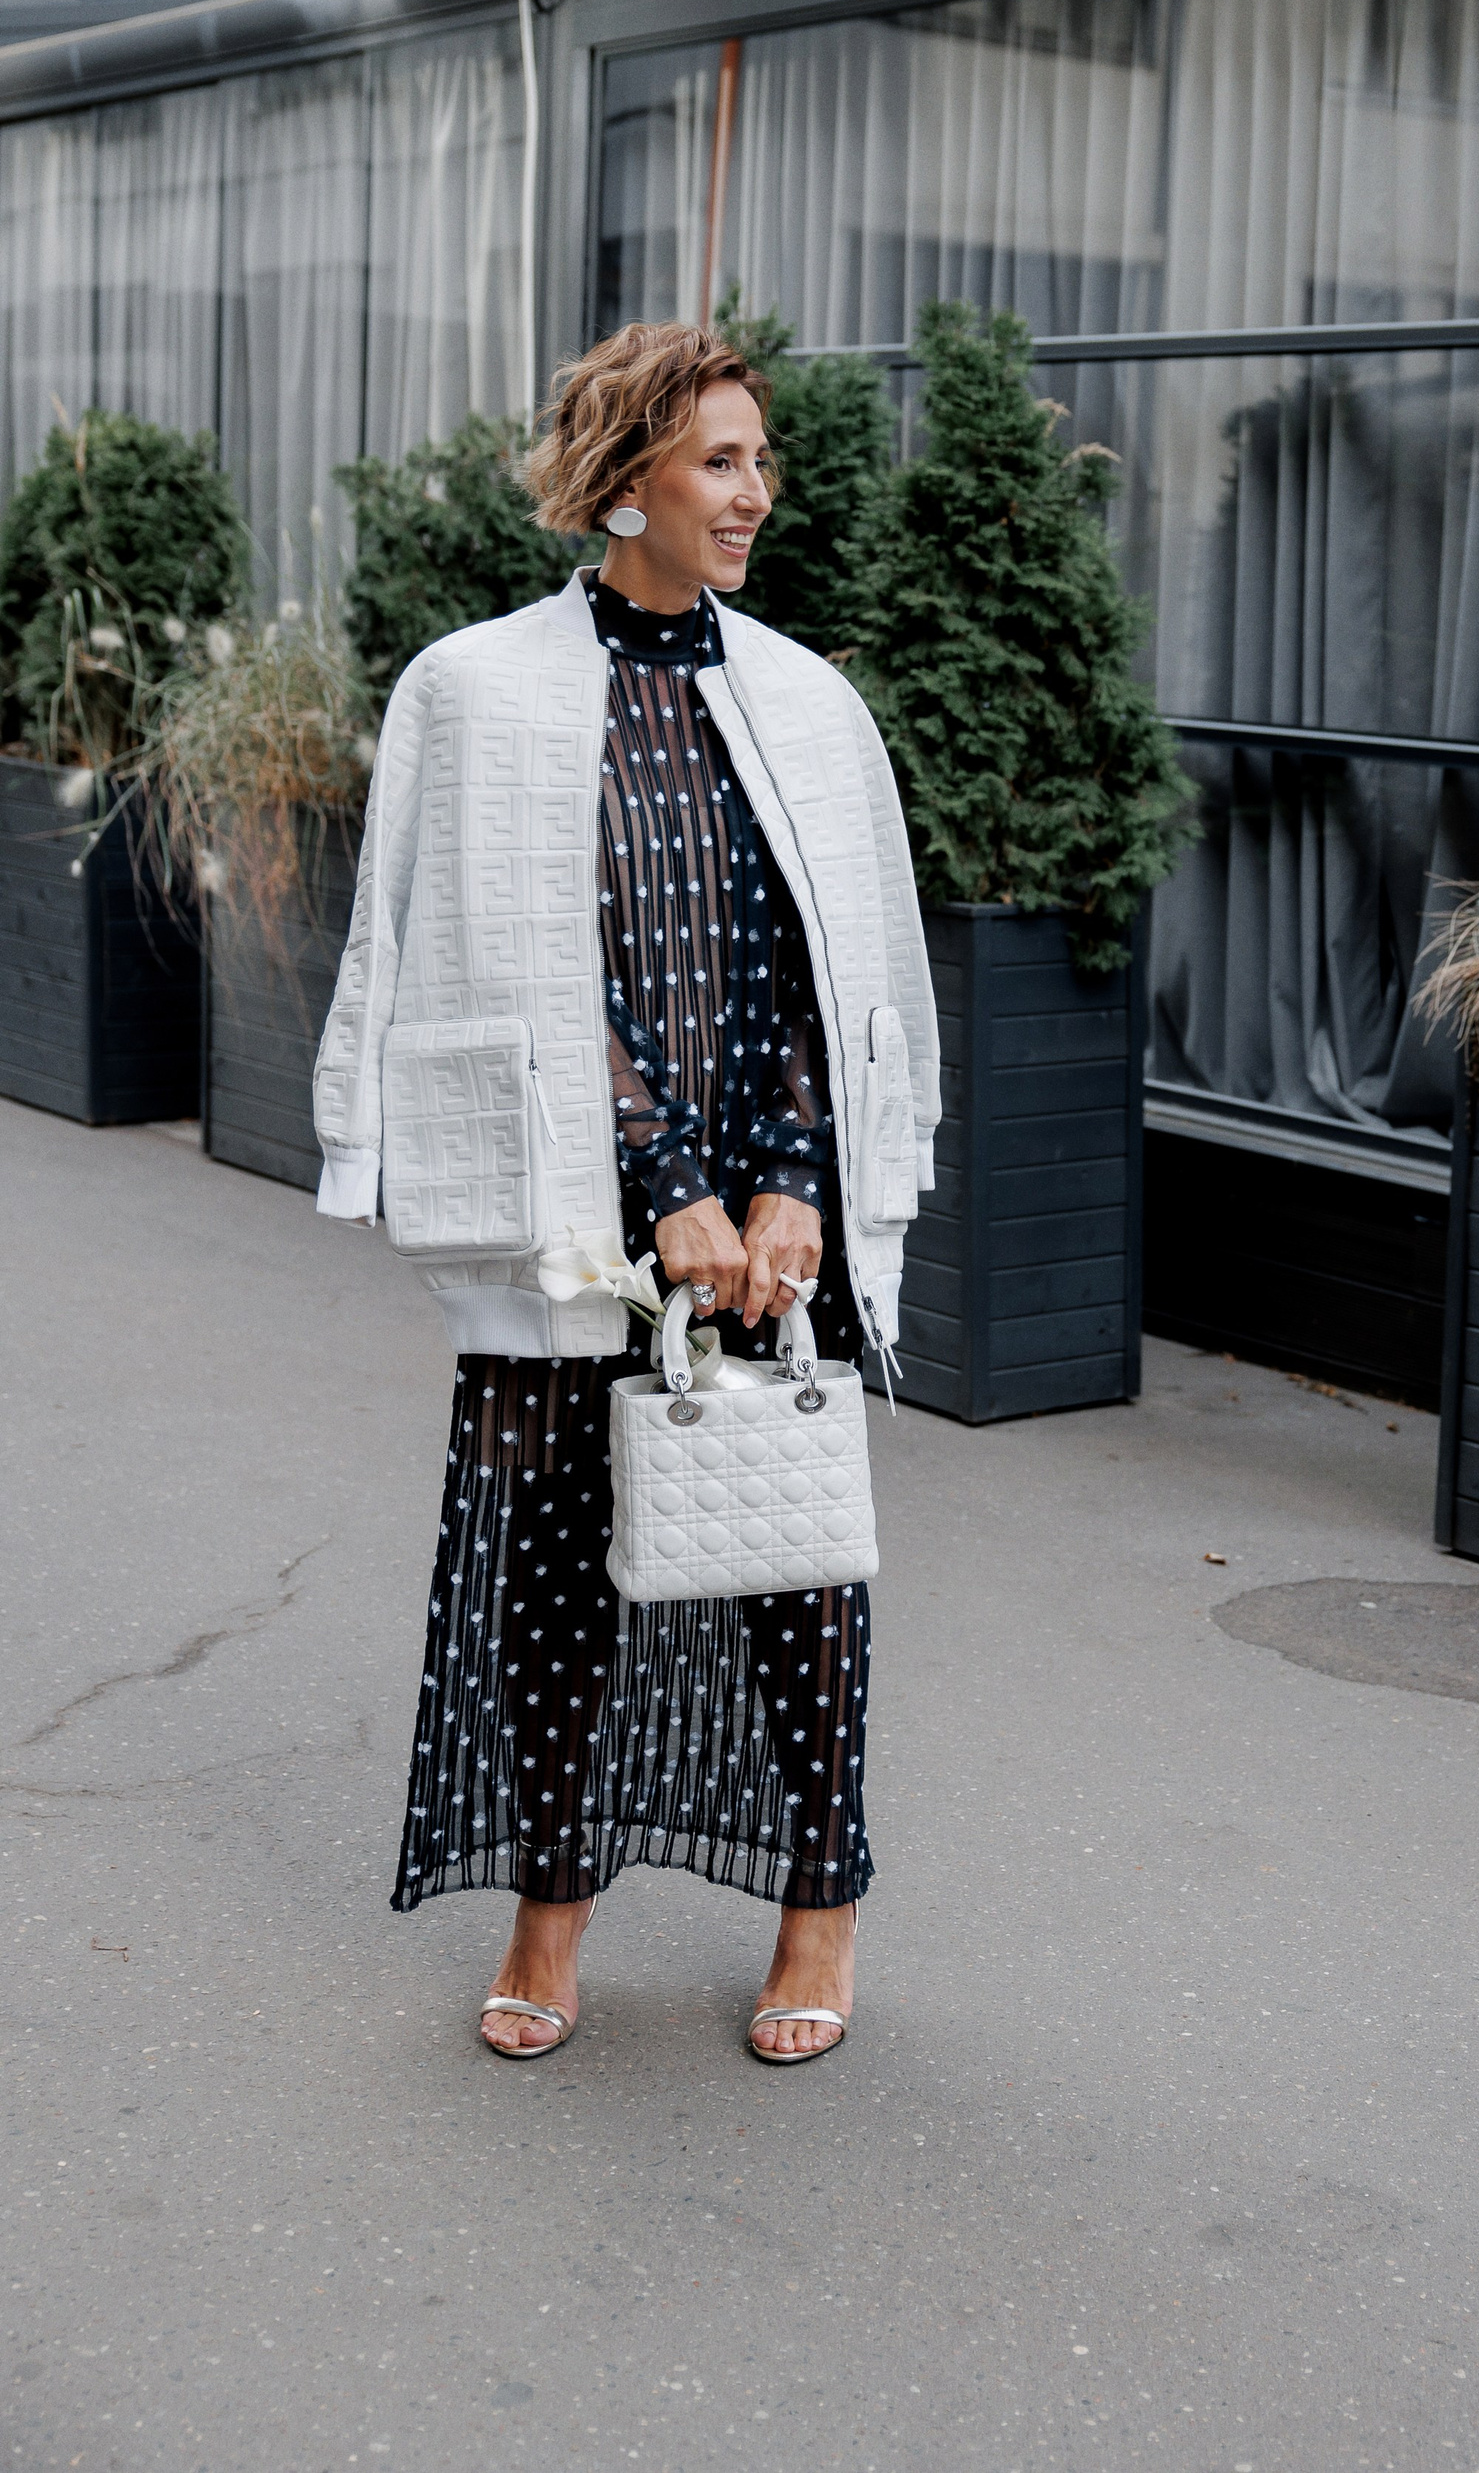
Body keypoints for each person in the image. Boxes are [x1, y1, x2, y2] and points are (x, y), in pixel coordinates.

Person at [312, 322, 938, 2064]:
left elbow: (841, 964)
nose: (755, 494)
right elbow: (487, 957)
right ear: (623, 478)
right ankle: (550, 1908)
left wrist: (794, 1182)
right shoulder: (476, 689)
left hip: (773, 1199)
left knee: (795, 1558)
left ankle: (821, 1909)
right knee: (550, 1565)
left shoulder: (807, 700)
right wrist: (660, 1181)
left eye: (759, 462)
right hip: (579, 1198)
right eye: (719, 460)